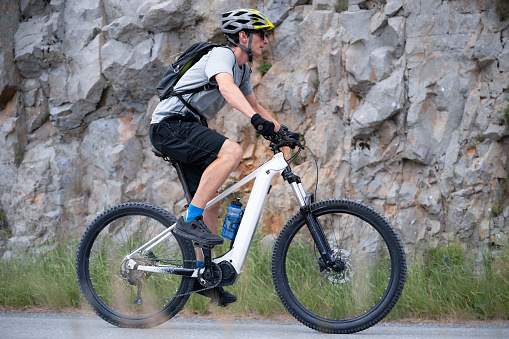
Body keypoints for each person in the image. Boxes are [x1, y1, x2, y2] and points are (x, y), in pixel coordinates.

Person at [150, 9, 295, 305]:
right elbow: (226, 89)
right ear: (243, 36)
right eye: (261, 34)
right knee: (232, 151)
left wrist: (284, 133)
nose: (266, 40)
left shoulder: (244, 69)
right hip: (170, 125)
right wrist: (255, 120)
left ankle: (205, 276)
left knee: (211, 203)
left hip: (188, 126)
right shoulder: (221, 55)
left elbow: (254, 104)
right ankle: (189, 220)